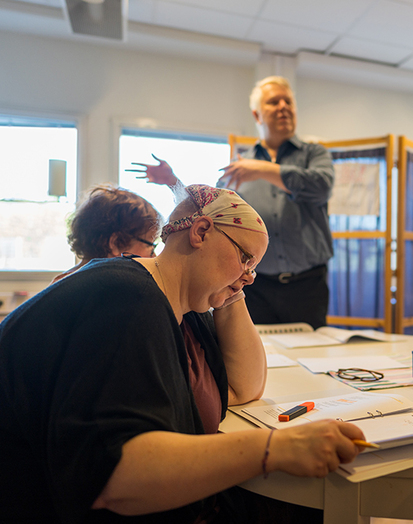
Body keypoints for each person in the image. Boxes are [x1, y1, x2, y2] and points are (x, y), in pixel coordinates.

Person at [0, 184, 364, 523]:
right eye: (246, 258)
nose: (251, 276)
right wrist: (274, 447)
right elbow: (115, 475)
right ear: (200, 232)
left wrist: (231, 286)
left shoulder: (185, 309)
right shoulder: (126, 296)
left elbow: (241, 389)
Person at [130, 76, 335, 329]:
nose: (283, 106)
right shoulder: (238, 169)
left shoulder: (314, 154)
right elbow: (212, 213)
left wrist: (261, 169)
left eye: (288, 101)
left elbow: (322, 186)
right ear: (257, 115)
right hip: (255, 285)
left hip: (309, 283)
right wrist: (173, 182)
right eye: (274, 102)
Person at [53, 184, 162, 283]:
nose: (154, 257)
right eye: (150, 247)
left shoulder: (63, 282)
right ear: (115, 243)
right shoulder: (101, 289)